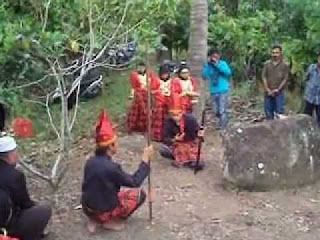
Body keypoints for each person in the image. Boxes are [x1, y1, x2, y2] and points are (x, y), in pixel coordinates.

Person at [81, 110, 153, 233]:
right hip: (103, 210)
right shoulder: (112, 168)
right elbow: (134, 182)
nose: (118, 144)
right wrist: (145, 160)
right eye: (116, 142)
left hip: (87, 207)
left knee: (106, 191)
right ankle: (108, 220)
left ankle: (93, 219)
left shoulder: (90, 161)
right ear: (111, 146)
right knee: (139, 194)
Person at [0, 134, 52, 240]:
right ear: (11, 155)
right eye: (16, 152)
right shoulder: (15, 176)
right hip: (6, 226)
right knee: (44, 210)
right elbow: (25, 204)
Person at [159, 94, 204, 169]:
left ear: (182, 112)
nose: (175, 117)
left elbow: (198, 134)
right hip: (177, 145)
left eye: (178, 114)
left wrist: (200, 134)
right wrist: (174, 139)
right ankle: (182, 159)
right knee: (163, 149)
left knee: (199, 164)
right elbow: (165, 138)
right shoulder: (168, 121)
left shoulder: (190, 119)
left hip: (190, 144)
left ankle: (187, 160)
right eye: (173, 114)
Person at [202, 48, 232, 130]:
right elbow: (204, 75)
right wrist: (208, 65)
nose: (214, 58)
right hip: (213, 91)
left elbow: (228, 72)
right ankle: (224, 121)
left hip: (223, 90)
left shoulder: (222, 63)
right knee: (216, 111)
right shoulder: (209, 66)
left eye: (216, 56)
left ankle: (222, 127)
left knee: (222, 109)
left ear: (219, 56)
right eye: (213, 56)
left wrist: (217, 65)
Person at [126, 62, 160, 133]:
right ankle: (136, 125)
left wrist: (150, 88)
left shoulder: (149, 74)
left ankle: (148, 125)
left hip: (149, 92)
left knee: (152, 102)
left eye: (142, 67)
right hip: (139, 92)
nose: (141, 69)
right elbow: (134, 86)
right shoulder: (134, 75)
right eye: (139, 67)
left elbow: (155, 83)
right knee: (140, 102)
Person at [262, 45, 289, 120]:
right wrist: (267, 89)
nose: (275, 55)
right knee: (268, 112)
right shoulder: (267, 64)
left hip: (279, 93)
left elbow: (285, 79)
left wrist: (278, 89)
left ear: (280, 53)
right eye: (273, 53)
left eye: (277, 53)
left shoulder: (285, 65)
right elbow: (264, 77)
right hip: (268, 92)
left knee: (279, 113)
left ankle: (279, 130)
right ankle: (269, 130)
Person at [151, 65, 172, 141]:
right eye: (163, 74)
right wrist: (160, 92)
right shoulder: (156, 81)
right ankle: (157, 136)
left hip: (168, 102)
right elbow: (152, 91)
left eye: (166, 74)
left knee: (168, 119)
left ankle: (167, 135)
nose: (164, 76)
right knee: (158, 120)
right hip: (159, 102)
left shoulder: (171, 82)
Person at [303, 52, 320, 126]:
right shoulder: (312, 67)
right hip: (310, 97)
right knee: (306, 117)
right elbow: (305, 78)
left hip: (319, 98)